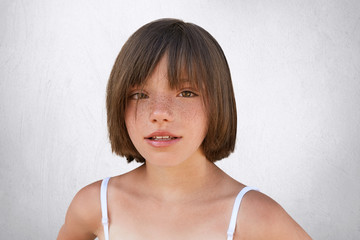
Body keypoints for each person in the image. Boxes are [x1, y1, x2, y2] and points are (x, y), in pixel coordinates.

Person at [57, 18, 311, 240]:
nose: (159, 113)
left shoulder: (256, 216)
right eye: (139, 94)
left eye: (186, 93)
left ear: (218, 103)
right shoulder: (95, 205)